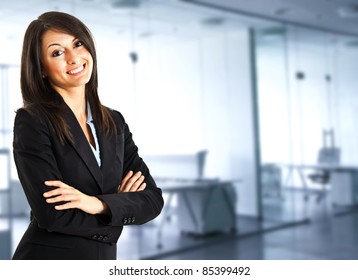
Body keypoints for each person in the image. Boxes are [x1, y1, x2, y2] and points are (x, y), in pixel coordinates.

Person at [12, 11, 164, 260]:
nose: (74, 58)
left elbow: (152, 200)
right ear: (41, 69)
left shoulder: (114, 122)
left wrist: (97, 204)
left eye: (78, 44)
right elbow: (53, 214)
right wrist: (117, 208)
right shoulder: (33, 121)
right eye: (57, 52)